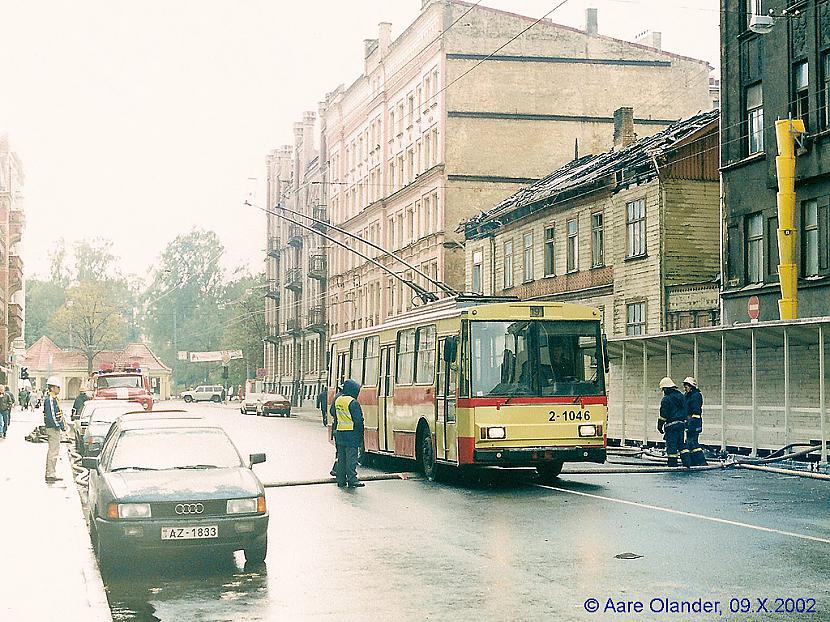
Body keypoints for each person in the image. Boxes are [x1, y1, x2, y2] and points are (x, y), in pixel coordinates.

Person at [330, 379, 365, 488]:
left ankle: (341, 480)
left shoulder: (338, 400)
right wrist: (361, 434)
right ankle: (352, 479)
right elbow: (358, 420)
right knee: (351, 459)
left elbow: (333, 412)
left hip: (340, 433)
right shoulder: (353, 402)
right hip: (351, 434)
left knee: (342, 458)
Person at [657, 377, 686, 467]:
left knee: (672, 446)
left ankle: (672, 464)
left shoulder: (666, 399)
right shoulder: (681, 396)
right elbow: (685, 409)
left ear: (666, 388)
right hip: (681, 424)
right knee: (681, 445)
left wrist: (659, 426)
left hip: (671, 426)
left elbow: (663, 415)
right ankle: (687, 463)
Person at [43, 376, 65, 483]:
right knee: (53, 452)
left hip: (53, 428)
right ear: (52, 388)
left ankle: (51, 472)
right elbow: (51, 415)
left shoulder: (53, 399)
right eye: (58, 387)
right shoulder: (51, 400)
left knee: (54, 451)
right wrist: (58, 426)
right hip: (53, 428)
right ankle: (50, 474)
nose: (59, 389)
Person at [682, 376, 707, 467]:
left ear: (691, 386)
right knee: (689, 442)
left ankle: (702, 462)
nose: (685, 389)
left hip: (694, 422)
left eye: (686, 386)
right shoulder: (687, 395)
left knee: (693, 443)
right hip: (689, 422)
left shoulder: (696, 396)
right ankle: (693, 462)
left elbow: (696, 412)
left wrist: (691, 424)